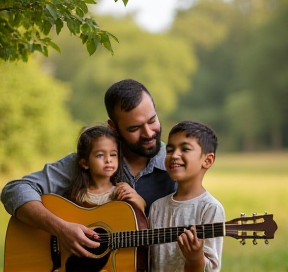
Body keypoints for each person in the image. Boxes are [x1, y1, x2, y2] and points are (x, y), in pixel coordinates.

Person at [1, 79, 176, 258]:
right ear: (113, 128)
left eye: (152, 120)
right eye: (134, 128)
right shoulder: (93, 160)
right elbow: (14, 190)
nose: (148, 133)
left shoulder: (176, 164)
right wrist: (61, 229)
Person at [149, 121, 225, 272]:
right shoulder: (157, 206)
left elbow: (210, 269)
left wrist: (195, 258)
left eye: (185, 149)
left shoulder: (210, 208)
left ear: (207, 160)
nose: (174, 155)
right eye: (169, 150)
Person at [65, 124, 145, 211]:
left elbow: (137, 217)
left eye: (113, 154)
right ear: (85, 163)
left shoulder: (121, 192)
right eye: (100, 155)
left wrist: (139, 201)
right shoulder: (76, 196)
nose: (108, 160)